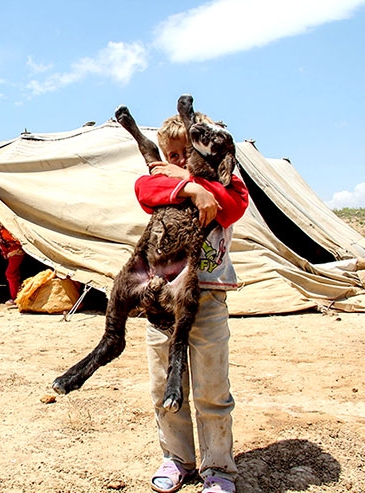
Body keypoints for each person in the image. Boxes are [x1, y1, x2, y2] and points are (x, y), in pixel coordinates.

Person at [134, 115, 249, 493]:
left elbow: (230, 205)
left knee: (212, 388)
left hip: (208, 297)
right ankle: (177, 458)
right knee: (164, 385)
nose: (180, 161)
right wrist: (187, 188)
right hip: (163, 300)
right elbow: (144, 189)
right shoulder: (159, 183)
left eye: (188, 154)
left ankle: (217, 467)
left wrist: (194, 186)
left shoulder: (225, 182)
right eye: (173, 155)